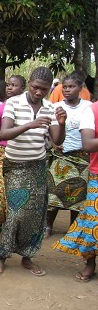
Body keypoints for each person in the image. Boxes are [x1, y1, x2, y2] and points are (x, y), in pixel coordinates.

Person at [0, 67, 67, 276]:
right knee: (15, 212)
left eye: (44, 89)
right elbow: (4, 133)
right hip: (15, 165)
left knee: (35, 214)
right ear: (29, 83)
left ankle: (27, 256)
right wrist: (31, 124)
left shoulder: (50, 107)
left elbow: (57, 140)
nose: (39, 93)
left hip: (38, 166)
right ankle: (2, 255)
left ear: (49, 89)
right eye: (35, 87)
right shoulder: (13, 103)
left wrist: (62, 123)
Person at [52, 101, 98, 282]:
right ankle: (90, 263)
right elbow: (88, 144)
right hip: (97, 173)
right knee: (93, 222)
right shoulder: (92, 110)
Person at [46, 72, 92, 237]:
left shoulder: (87, 106)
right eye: (64, 87)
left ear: (80, 88)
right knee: (54, 192)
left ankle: (73, 229)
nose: (67, 90)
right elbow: (49, 129)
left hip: (81, 156)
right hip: (61, 156)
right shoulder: (56, 107)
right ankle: (48, 226)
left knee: (78, 196)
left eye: (71, 86)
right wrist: (54, 143)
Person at [0, 75, 26, 232]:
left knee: (18, 187)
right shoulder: (0, 107)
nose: (9, 87)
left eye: (14, 85)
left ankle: (15, 224)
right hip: (3, 150)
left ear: (22, 89)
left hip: (21, 151)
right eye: (8, 84)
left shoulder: (27, 108)